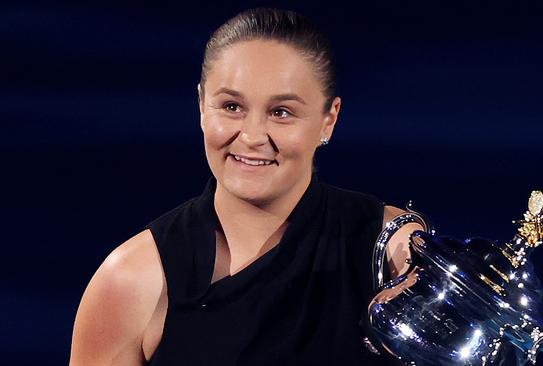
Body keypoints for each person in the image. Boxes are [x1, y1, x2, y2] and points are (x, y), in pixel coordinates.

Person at [69, 7, 422, 366]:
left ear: (328, 120)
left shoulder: (386, 247)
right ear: (202, 107)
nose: (252, 136)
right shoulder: (131, 279)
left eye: (281, 112)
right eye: (232, 106)